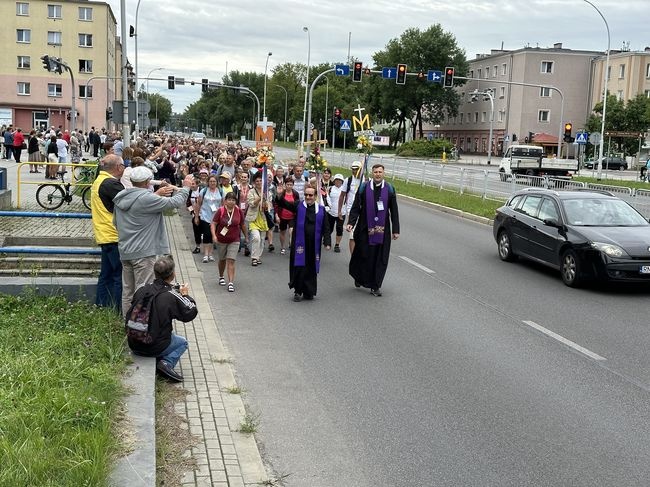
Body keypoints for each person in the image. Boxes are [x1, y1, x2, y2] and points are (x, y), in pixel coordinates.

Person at [113, 166, 190, 316]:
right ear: (148, 181)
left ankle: (128, 324)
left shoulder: (121, 196)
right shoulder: (147, 198)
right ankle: (140, 326)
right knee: (143, 291)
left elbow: (115, 223)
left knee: (128, 291)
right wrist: (186, 187)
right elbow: (173, 203)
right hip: (143, 252)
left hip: (125, 250)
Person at [125, 255, 198, 382]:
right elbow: (190, 312)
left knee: (162, 331)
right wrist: (185, 295)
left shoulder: (142, 289)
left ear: (155, 273)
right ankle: (166, 363)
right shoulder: (170, 295)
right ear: (173, 274)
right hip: (154, 346)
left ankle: (158, 357)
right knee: (182, 342)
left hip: (134, 343)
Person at [347, 164, 400, 297]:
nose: (377, 174)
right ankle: (359, 277)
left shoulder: (389, 189)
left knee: (380, 257)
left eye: (380, 172)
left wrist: (396, 229)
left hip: (383, 230)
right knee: (363, 254)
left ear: (384, 173)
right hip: (365, 228)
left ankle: (375, 285)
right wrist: (351, 222)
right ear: (372, 173)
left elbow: (394, 210)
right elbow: (356, 206)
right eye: (375, 172)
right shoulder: (364, 187)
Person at [275, 184, 330, 301]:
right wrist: (279, 195)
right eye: (306, 195)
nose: (308, 197)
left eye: (310, 195)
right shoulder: (298, 206)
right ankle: (298, 291)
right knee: (300, 266)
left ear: (315, 196)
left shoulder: (321, 210)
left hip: (314, 244)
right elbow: (285, 204)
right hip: (299, 242)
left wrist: (327, 241)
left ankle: (309, 291)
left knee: (310, 267)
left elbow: (326, 227)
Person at [90, 154, 126, 311]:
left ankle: (101, 305)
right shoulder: (111, 184)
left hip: (104, 235)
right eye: (123, 165)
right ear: (118, 167)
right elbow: (131, 203)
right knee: (120, 276)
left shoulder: (98, 181)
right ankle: (118, 310)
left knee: (105, 274)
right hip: (114, 235)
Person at [210, 192, 248, 292]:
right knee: (222, 260)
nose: (231, 201)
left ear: (236, 201)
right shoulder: (221, 210)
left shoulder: (239, 211)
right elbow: (213, 223)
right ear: (225, 201)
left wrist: (246, 236)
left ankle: (231, 282)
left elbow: (243, 225)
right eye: (229, 199)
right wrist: (214, 235)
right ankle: (221, 276)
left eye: (233, 200)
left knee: (231, 260)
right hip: (221, 239)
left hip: (234, 239)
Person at [338, 160, 364, 253]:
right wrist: (339, 211)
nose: (354, 171)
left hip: (363, 211)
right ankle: (353, 257)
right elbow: (342, 195)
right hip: (351, 211)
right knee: (352, 234)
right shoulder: (348, 180)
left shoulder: (366, 180)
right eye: (352, 169)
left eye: (356, 169)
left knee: (361, 234)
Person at [245, 171, 269, 266]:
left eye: (260, 181)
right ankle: (254, 258)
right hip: (253, 218)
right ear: (254, 182)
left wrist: (266, 203)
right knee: (256, 238)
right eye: (257, 181)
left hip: (263, 218)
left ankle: (258, 256)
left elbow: (269, 206)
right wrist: (260, 198)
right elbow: (251, 204)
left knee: (262, 240)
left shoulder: (267, 192)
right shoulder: (251, 191)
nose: (259, 182)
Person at [326, 174, 345, 252]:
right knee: (329, 228)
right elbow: (327, 199)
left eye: (340, 180)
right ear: (334, 181)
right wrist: (328, 207)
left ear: (342, 181)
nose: (338, 182)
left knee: (339, 229)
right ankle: (327, 241)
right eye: (336, 180)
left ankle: (337, 245)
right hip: (331, 212)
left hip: (341, 213)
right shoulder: (330, 189)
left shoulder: (345, 190)